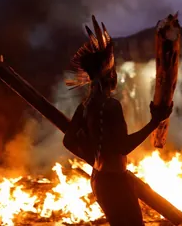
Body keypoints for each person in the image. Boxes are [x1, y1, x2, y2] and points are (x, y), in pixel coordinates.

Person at [63, 15, 173, 226]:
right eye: (113, 71)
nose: (116, 76)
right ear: (108, 75)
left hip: (98, 180)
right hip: (115, 183)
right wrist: (154, 122)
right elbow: (123, 146)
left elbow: (68, 141)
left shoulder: (84, 106)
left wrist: (95, 158)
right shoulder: (111, 105)